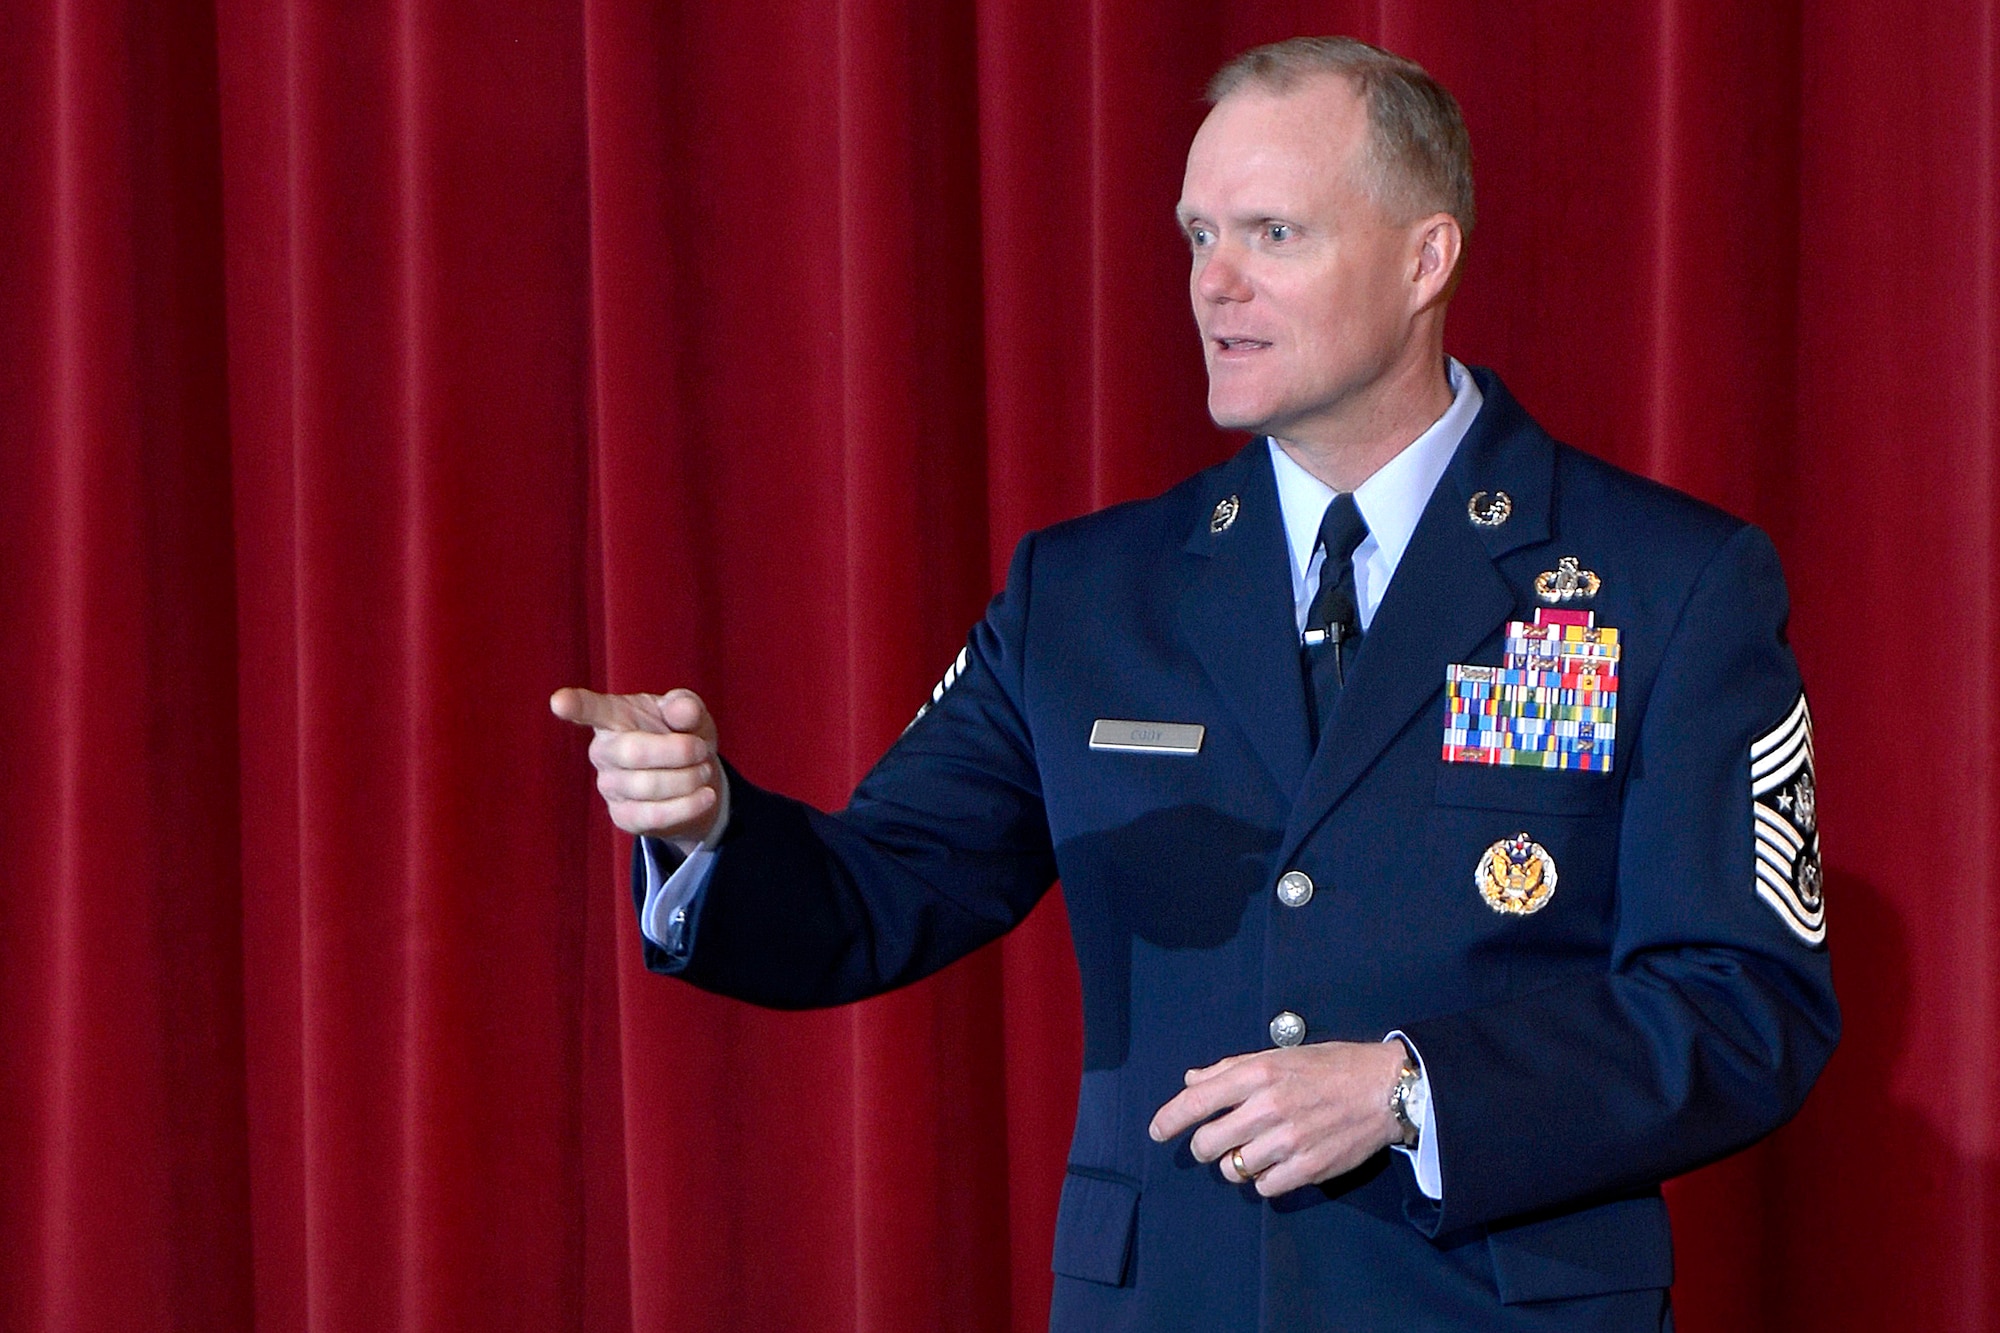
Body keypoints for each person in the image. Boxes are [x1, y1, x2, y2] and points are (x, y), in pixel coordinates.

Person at [553, 36, 1837, 1332]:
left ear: (1424, 259)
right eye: (1195, 235)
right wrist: (707, 825)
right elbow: (873, 891)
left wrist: (1409, 1089)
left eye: (1273, 232)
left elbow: (1747, 1004)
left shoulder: (1663, 579)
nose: (1213, 284)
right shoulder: (1087, 595)